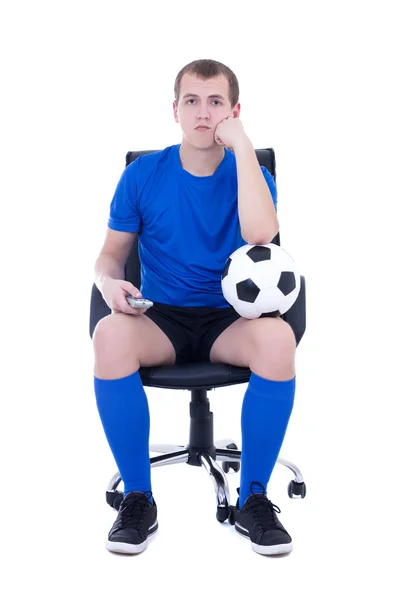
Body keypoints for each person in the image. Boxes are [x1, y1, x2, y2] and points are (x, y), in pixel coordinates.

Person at [93, 59, 297, 557]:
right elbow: (111, 256)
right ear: (175, 110)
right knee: (109, 336)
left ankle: (253, 499)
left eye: (215, 102)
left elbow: (258, 235)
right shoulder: (144, 175)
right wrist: (107, 284)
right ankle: (138, 499)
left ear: (233, 111)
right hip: (160, 317)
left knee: (277, 339)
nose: (203, 113)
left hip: (232, 318)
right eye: (192, 101)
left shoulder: (252, 171)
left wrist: (243, 146)